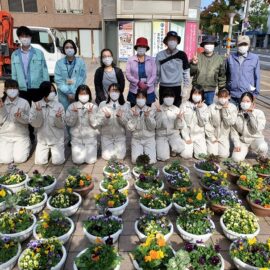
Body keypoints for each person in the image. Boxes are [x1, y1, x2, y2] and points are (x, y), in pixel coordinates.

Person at [11, 26, 49, 141]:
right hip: (22, 89)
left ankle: (43, 134)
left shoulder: (39, 53)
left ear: (30, 37)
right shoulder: (15, 55)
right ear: (19, 38)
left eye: (27, 36)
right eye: (22, 36)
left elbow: (44, 71)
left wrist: (46, 89)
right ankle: (30, 135)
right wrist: (14, 90)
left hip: (37, 88)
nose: (25, 38)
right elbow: (14, 74)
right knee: (25, 112)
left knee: (40, 111)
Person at [29, 81, 65, 165]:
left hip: (56, 140)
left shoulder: (59, 106)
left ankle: (54, 150)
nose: (53, 93)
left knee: (58, 162)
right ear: (44, 92)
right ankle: (46, 151)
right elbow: (35, 124)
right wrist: (38, 113)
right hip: (43, 140)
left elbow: (61, 125)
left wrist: (58, 118)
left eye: (53, 91)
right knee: (40, 162)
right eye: (50, 91)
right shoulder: (36, 105)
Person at [66, 85, 99, 164]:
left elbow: (96, 124)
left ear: (89, 95)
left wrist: (91, 114)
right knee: (78, 161)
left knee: (91, 161)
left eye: (86, 94)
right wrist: (74, 114)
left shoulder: (94, 107)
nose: (84, 96)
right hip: (77, 139)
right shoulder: (72, 107)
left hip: (90, 139)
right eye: (81, 94)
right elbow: (69, 123)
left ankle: (95, 145)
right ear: (77, 95)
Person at [156, 31, 190, 107]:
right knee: (163, 109)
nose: (172, 41)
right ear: (166, 41)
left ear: (177, 42)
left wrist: (185, 87)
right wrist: (155, 86)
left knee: (176, 109)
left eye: (174, 39)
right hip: (163, 86)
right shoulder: (160, 55)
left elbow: (186, 71)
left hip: (177, 87)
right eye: (170, 39)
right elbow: (157, 72)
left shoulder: (182, 55)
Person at [0, 79, 30, 164]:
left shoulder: (24, 102)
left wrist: (21, 117)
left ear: (18, 89)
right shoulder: (1, 102)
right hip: (5, 136)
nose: (12, 90)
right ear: (5, 90)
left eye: (14, 88)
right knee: (6, 160)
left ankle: (27, 145)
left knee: (19, 159)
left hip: (20, 136)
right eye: (9, 88)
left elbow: (29, 121)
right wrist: (1, 109)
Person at [231, 92, 268, 162]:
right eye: (243, 101)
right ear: (240, 102)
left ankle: (261, 155)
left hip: (256, 139)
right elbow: (233, 132)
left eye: (248, 101)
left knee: (263, 147)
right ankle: (245, 150)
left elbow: (256, 129)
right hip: (243, 141)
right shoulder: (237, 114)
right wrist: (237, 144)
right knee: (236, 159)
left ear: (252, 103)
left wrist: (250, 114)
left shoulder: (259, 113)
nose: (245, 103)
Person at [190, 35, 226, 105]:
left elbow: (222, 75)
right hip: (198, 88)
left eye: (211, 44)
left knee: (209, 107)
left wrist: (222, 88)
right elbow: (191, 73)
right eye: (207, 44)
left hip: (211, 89)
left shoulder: (219, 59)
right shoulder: (197, 57)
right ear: (203, 45)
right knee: (196, 106)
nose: (209, 45)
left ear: (214, 45)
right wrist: (193, 64)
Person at [98, 83, 130, 160]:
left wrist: (120, 117)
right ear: (108, 92)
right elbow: (98, 122)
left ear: (120, 93)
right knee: (107, 157)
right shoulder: (102, 104)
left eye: (117, 91)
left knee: (120, 157)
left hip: (120, 136)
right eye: (112, 91)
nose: (114, 93)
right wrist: (105, 118)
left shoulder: (126, 105)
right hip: (106, 136)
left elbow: (127, 124)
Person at [226, 35, 260, 106]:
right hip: (232, 94)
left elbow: (257, 76)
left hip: (247, 95)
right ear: (237, 45)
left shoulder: (254, 58)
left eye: (245, 44)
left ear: (249, 45)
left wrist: (255, 93)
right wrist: (226, 90)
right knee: (231, 115)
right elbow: (226, 75)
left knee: (245, 116)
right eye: (241, 44)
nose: (243, 46)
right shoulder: (230, 58)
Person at [54, 39, 87, 110]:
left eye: (71, 47)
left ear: (75, 49)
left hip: (77, 93)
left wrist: (74, 93)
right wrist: (68, 93)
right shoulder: (59, 63)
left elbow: (82, 78)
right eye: (67, 47)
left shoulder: (81, 62)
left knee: (77, 114)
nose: (69, 49)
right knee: (64, 114)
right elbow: (58, 80)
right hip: (63, 95)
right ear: (64, 49)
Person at [205, 88, 238, 158]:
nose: (223, 99)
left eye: (225, 97)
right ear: (217, 97)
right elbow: (207, 123)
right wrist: (212, 137)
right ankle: (208, 143)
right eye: (221, 97)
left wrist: (225, 110)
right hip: (213, 135)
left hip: (224, 136)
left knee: (224, 155)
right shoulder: (211, 107)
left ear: (229, 97)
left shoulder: (233, 107)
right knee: (212, 154)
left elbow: (230, 123)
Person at [155, 89, 186, 161]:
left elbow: (179, 127)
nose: (169, 98)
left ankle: (172, 147)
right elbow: (157, 126)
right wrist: (159, 114)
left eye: (171, 96)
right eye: (166, 96)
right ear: (163, 98)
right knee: (162, 157)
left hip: (173, 135)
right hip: (161, 136)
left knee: (180, 148)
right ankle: (166, 147)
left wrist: (178, 119)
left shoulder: (177, 110)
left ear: (174, 98)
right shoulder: (158, 109)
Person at [127, 90, 156, 164]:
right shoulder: (131, 110)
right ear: (136, 99)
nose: (140, 99)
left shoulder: (151, 110)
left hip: (149, 139)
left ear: (146, 99)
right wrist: (134, 117)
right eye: (138, 97)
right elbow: (130, 128)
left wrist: (148, 117)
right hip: (137, 139)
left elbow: (152, 127)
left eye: (143, 97)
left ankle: (147, 151)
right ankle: (138, 150)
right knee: (135, 161)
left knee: (151, 161)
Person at [126, 37, 157, 107]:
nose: (141, 48)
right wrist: (138, 82)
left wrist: (147, 85)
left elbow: (154, 75)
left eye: (143, 46)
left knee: (147, 111)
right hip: (134, 89)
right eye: (140, 46)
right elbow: (128, 74)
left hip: (148, 90)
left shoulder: (151, 60)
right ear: (136, 47)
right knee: (134, 110)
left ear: (146, 48)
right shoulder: (130, 60)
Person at [180, 85, 208, 159]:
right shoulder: (184, 105)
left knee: (201, 156)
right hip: (187, 134)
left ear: (202, 96)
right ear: (191, 94)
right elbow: (182, 122)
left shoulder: (205, 107)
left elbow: (202, 123)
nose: (196, 96)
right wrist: (186, 137)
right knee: (186, 155)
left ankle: (196, 148)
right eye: (195, 93)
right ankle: (189, 148)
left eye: (199, 94)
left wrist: (200, 109)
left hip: (198, 135)